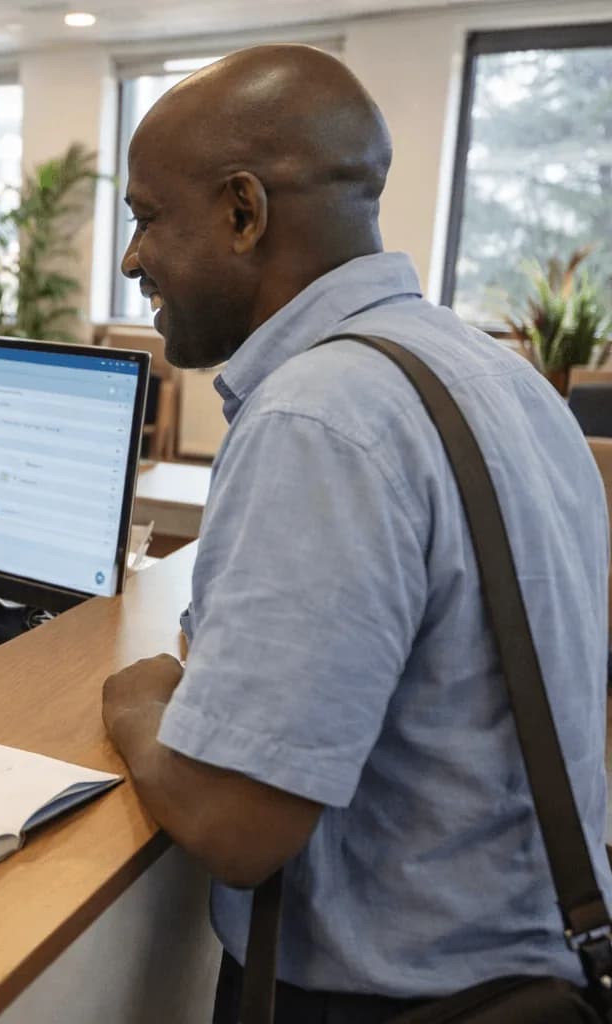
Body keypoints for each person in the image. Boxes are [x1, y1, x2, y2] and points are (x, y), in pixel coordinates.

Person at [99, 45, 611, 1021]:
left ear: (243, 213)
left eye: (146, 217)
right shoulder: (499, 376)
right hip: (528, 973)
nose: (131, 258)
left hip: (382, 999)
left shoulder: (317, 417)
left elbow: (238, 821)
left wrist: (139, 700)